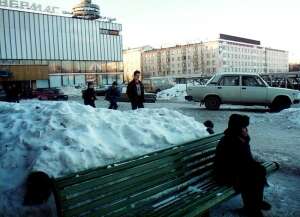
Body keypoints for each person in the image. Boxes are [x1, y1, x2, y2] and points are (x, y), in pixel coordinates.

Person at [214, 114, 271, 217]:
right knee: (251, 176)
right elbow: (234, 164)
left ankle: (256, 202)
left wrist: (254, 166)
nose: (246, 130)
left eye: (246, 127)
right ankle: (251, 209)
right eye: (243, 128)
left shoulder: (240, 139)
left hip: (238, 170)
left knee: (259, 170)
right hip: (226, 173)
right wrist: (251, 167)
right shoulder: (230, 141)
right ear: (236, 129)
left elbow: (245, 160)